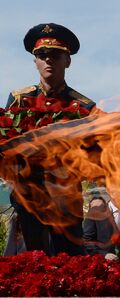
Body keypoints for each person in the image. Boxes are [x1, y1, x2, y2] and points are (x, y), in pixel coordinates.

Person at [6, 23, 96, 256]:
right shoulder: (19, 100)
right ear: (35, 61)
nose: (48, 60)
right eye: (42, 55)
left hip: (66, 203)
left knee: (70, 267)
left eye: (56, 54)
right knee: (30, 268)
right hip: (28, 199)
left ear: (67, 60)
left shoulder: (83, 107)